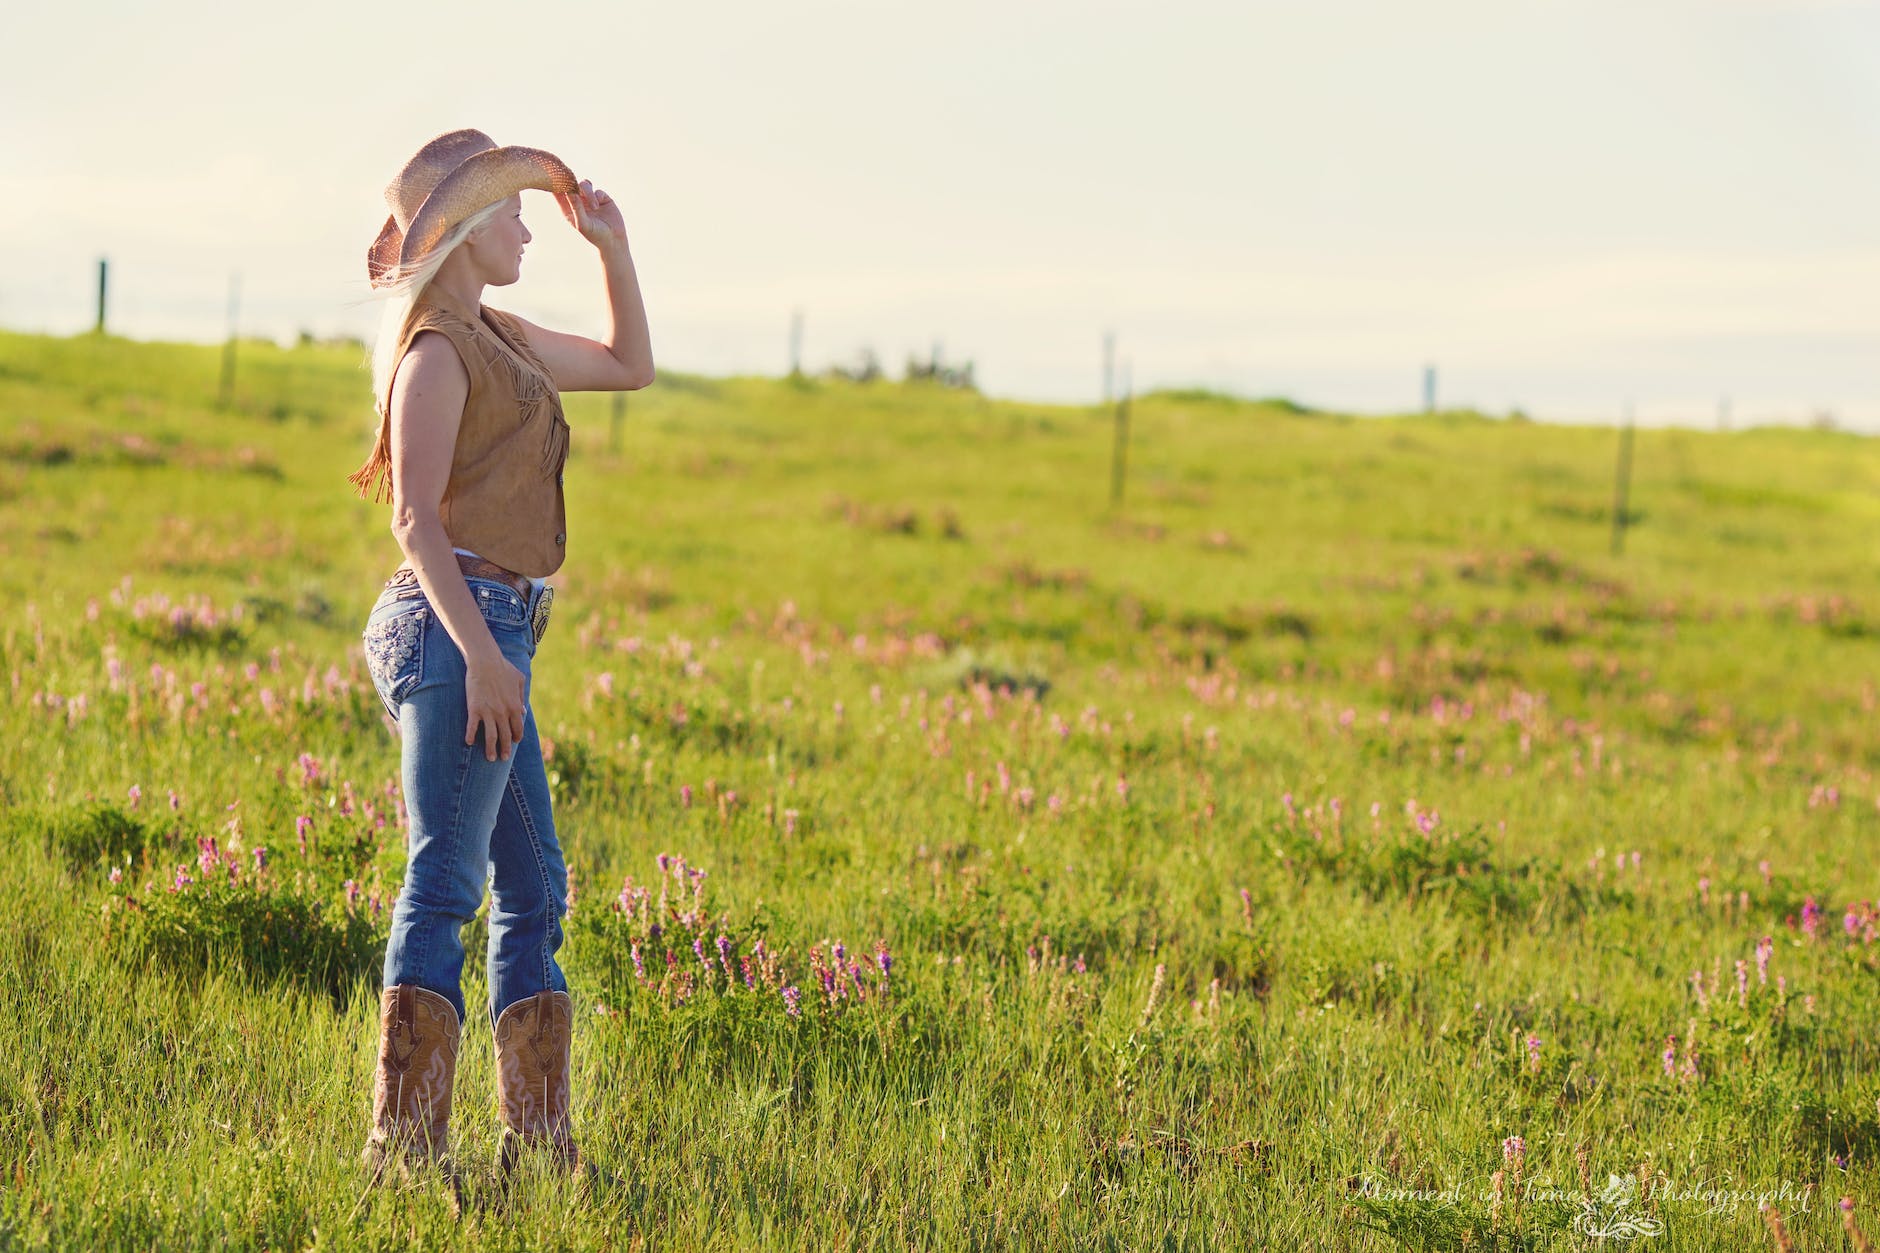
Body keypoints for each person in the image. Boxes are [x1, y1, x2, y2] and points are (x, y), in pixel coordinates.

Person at [347, 128, 652, 1195]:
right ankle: (405, 1152)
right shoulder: (433, 350)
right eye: (516, 212)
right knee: (446, 880)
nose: (531, 226)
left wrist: (612, 247)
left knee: (534, 885)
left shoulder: (501, 334)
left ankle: (536, 1144)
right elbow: (412, 519)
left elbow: (629, 365)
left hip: (494, 626)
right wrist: (482, 659)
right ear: (470, 232)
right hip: (453, 625)